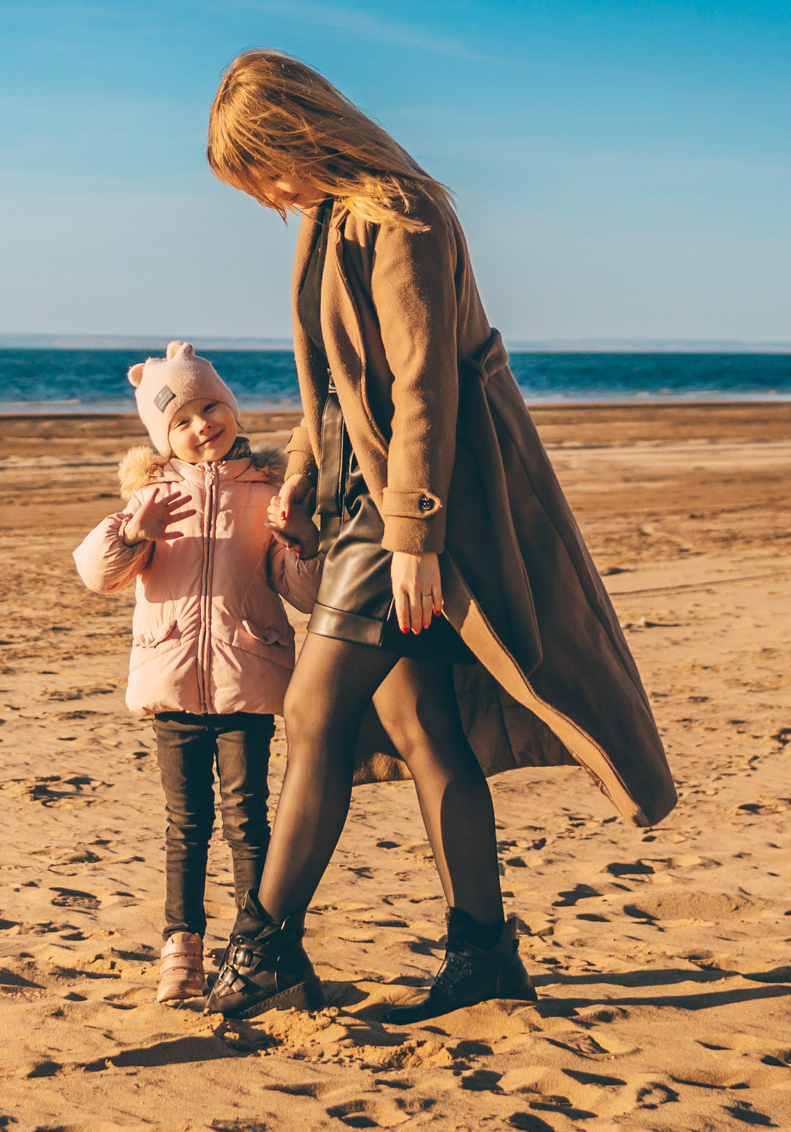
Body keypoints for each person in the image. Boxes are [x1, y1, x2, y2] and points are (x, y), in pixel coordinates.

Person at [199, 50, 680, 1021]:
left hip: (400, 512)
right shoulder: (333, 219)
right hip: (357, 502)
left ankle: (266, 948)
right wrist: (302, 464)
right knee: (427, 728)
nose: (268, 200)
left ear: (299, 138)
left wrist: (416, 535)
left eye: (264, 174)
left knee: (316, 717)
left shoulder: (400, 218)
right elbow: (345, 383)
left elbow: (424, 389)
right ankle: (484, 952)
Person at [73, 342, 323, 1004]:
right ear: (163, 436)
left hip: (249, 675)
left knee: (248, 819)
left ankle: (254, 946)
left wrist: (300, 537)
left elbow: (303, 590)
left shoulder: (267, 493)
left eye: (210, 408)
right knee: (186, 826)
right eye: (180, 420)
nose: (200, 426)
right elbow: (97, 574)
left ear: (231, 408)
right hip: (173, 684)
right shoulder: (150, 497)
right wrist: (135, 531)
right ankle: (180, 950)